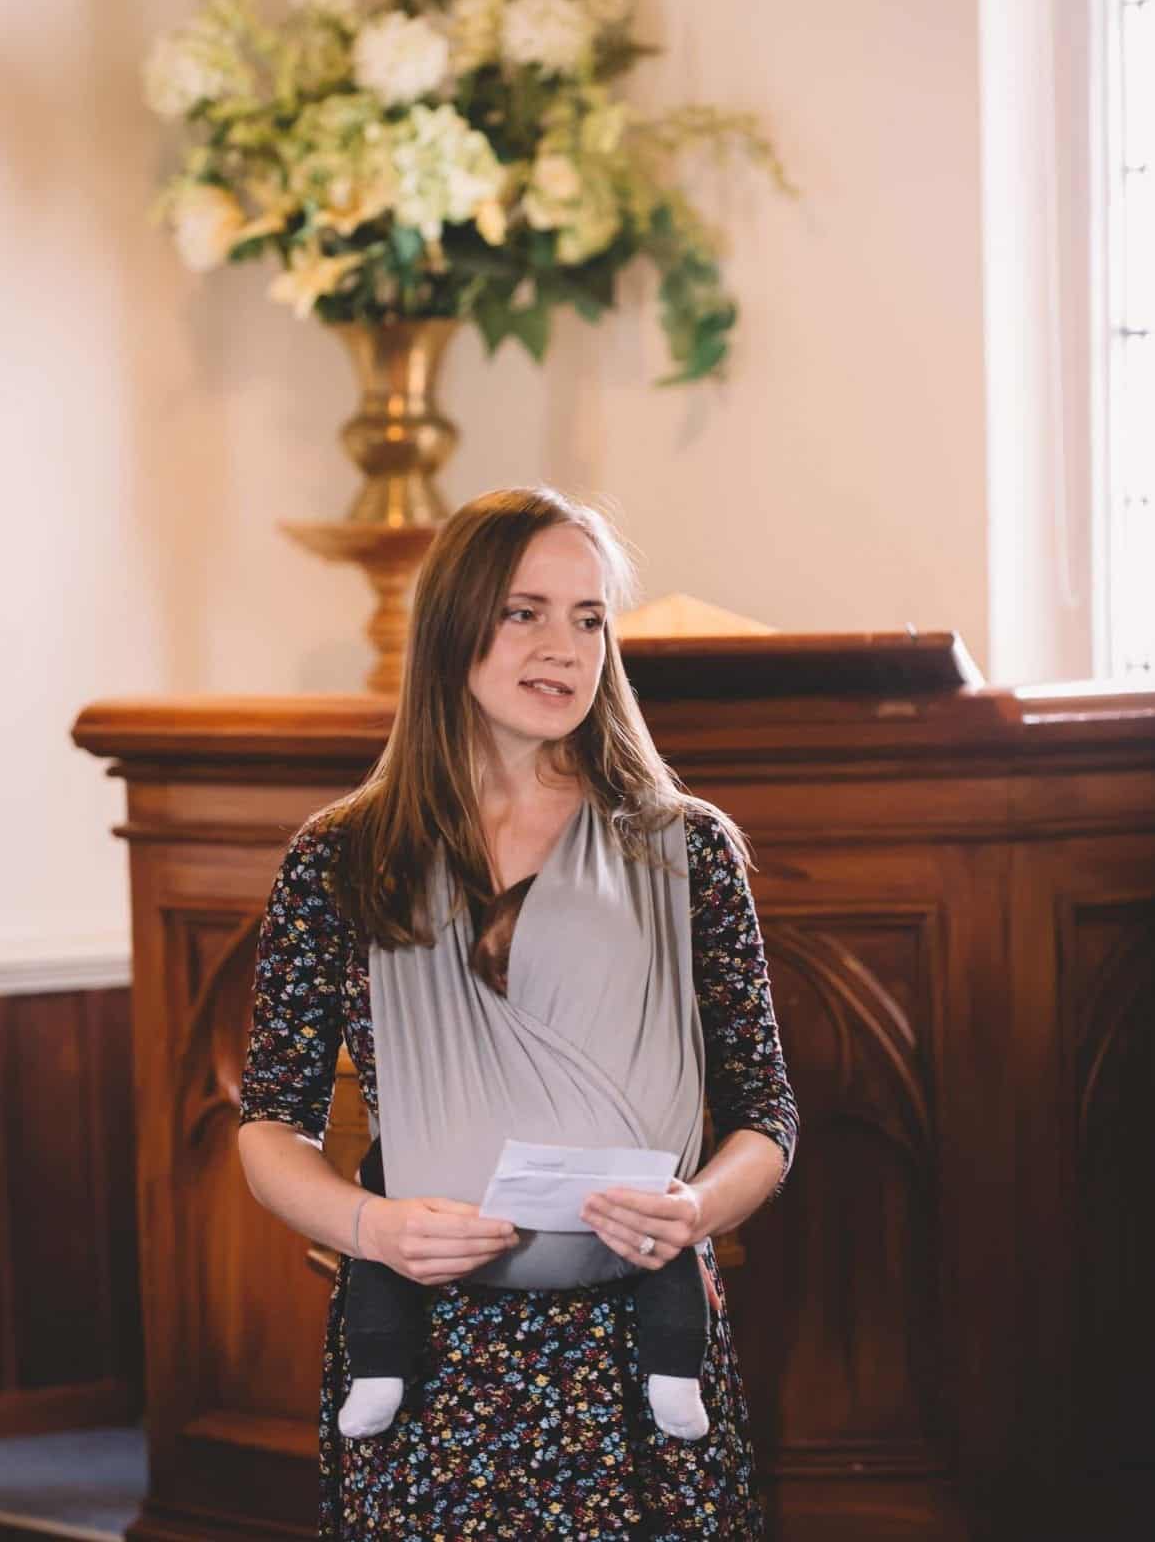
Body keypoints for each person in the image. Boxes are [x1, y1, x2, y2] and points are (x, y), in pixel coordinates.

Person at [238, 486, 799, 1540]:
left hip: (630, 1347)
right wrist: (373, 1227)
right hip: (433, 1352)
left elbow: (767, 1116)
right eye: (524, 611)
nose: (565, 646)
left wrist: (697, 1211)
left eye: (589, 618)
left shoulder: (685, 851)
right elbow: (269, 1123)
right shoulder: (340, 859)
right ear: (454, 624)